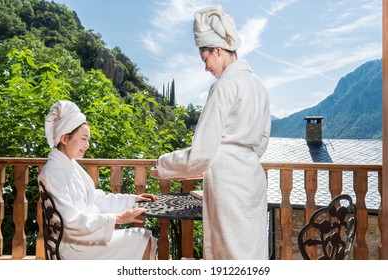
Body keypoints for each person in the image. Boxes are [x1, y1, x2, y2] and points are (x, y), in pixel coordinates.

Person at [151, 5, 271, 259]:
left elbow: (202, 154)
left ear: (218, 51)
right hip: (253, 178)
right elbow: (261, 142)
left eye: (205, 59)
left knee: (228, 255)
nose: (206, 67)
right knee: (251, 253)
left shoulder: (224, 85)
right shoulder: (259, 86)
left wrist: (164, 165)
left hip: (227, 182)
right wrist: (241, 157)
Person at [38, 100, 158, 260]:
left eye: (88, 140)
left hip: (81, 240)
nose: (87, 145)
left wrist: (132, 200)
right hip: (73, 248)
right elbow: (70, 222)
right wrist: (117, 219)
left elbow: (94, 199)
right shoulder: (53, 173)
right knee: (142, 238)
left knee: (144, 237)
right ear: (65, 139)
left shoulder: (69, 165)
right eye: (83, 139)